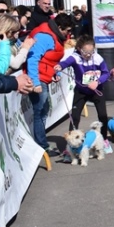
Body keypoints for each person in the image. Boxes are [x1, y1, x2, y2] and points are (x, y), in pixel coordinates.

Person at [26, 12, 75, 155]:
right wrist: (35, 83)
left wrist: (56, 73)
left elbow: (51, 59)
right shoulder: (44, 37)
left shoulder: (55, 36)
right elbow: (33, 59)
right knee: (40, 111)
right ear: (59, 27)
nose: (69, 33)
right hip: (38, 78)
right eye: (68, 30)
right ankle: (42, 146)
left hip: (45, 76)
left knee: (44, 110)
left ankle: (41, 143)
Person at [55, 34, 111, 150]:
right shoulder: (75, 57)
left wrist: (98, 82)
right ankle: (70, 146)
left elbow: (106, 73)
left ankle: (104, 139)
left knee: (103, 116)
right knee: (75, 117)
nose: (88, 55)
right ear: (79, 49)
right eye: (85, 52)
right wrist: (59, 67)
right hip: (81, 91)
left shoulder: (97, 58)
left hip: (96, 90)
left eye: (91, 51)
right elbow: (65, 63)